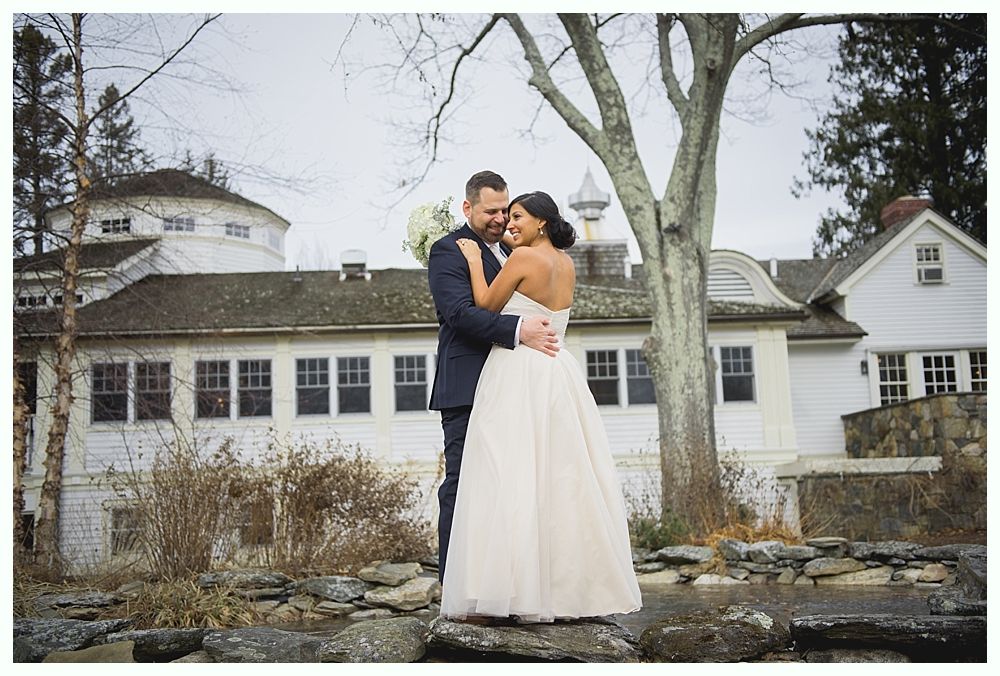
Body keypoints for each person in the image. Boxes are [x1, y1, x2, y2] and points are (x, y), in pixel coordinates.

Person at [440, 190, 642, 623]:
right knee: (559, 479)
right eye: (507, 216)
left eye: (518, 217)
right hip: (558, 372)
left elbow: (484, 307)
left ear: (542, 223)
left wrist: (477, 264)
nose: (511, 224)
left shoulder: (521, 260)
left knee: (507, 476)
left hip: (518, 372)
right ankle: (566, 593)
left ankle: (504, 592)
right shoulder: (566, 265)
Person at [427, 171, 560, 583]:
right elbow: (460, 314)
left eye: (506, 210)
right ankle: (455, 587)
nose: (501, 219)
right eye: (491, 211)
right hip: (468, 387)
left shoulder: (513, 249)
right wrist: (519, 332)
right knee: (463, 485)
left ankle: (505, 584)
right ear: (468, 207)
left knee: (510, 487)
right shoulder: (448, 251)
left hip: (514, 387)